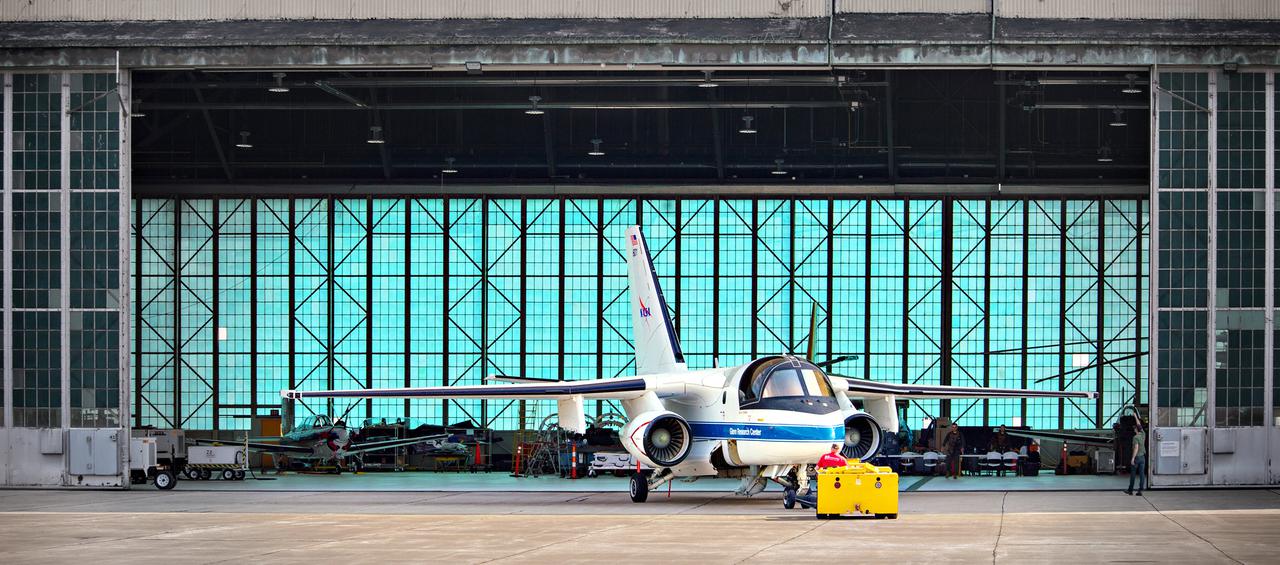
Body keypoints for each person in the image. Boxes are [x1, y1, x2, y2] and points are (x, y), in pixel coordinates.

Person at [1125, 421, 1147, 496]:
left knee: (1133, 474)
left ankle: (1130, 490)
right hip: (1143, 458)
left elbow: (1136, 448)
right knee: (1142, 474)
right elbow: (1139, 425)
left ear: (1136, 430)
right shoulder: (1143, 434)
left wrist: (1133, 458)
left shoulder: (1135, 437)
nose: (1134, 430)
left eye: (1134, 429)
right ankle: (1140, 490)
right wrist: (1135, 416)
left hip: (1137, 457)